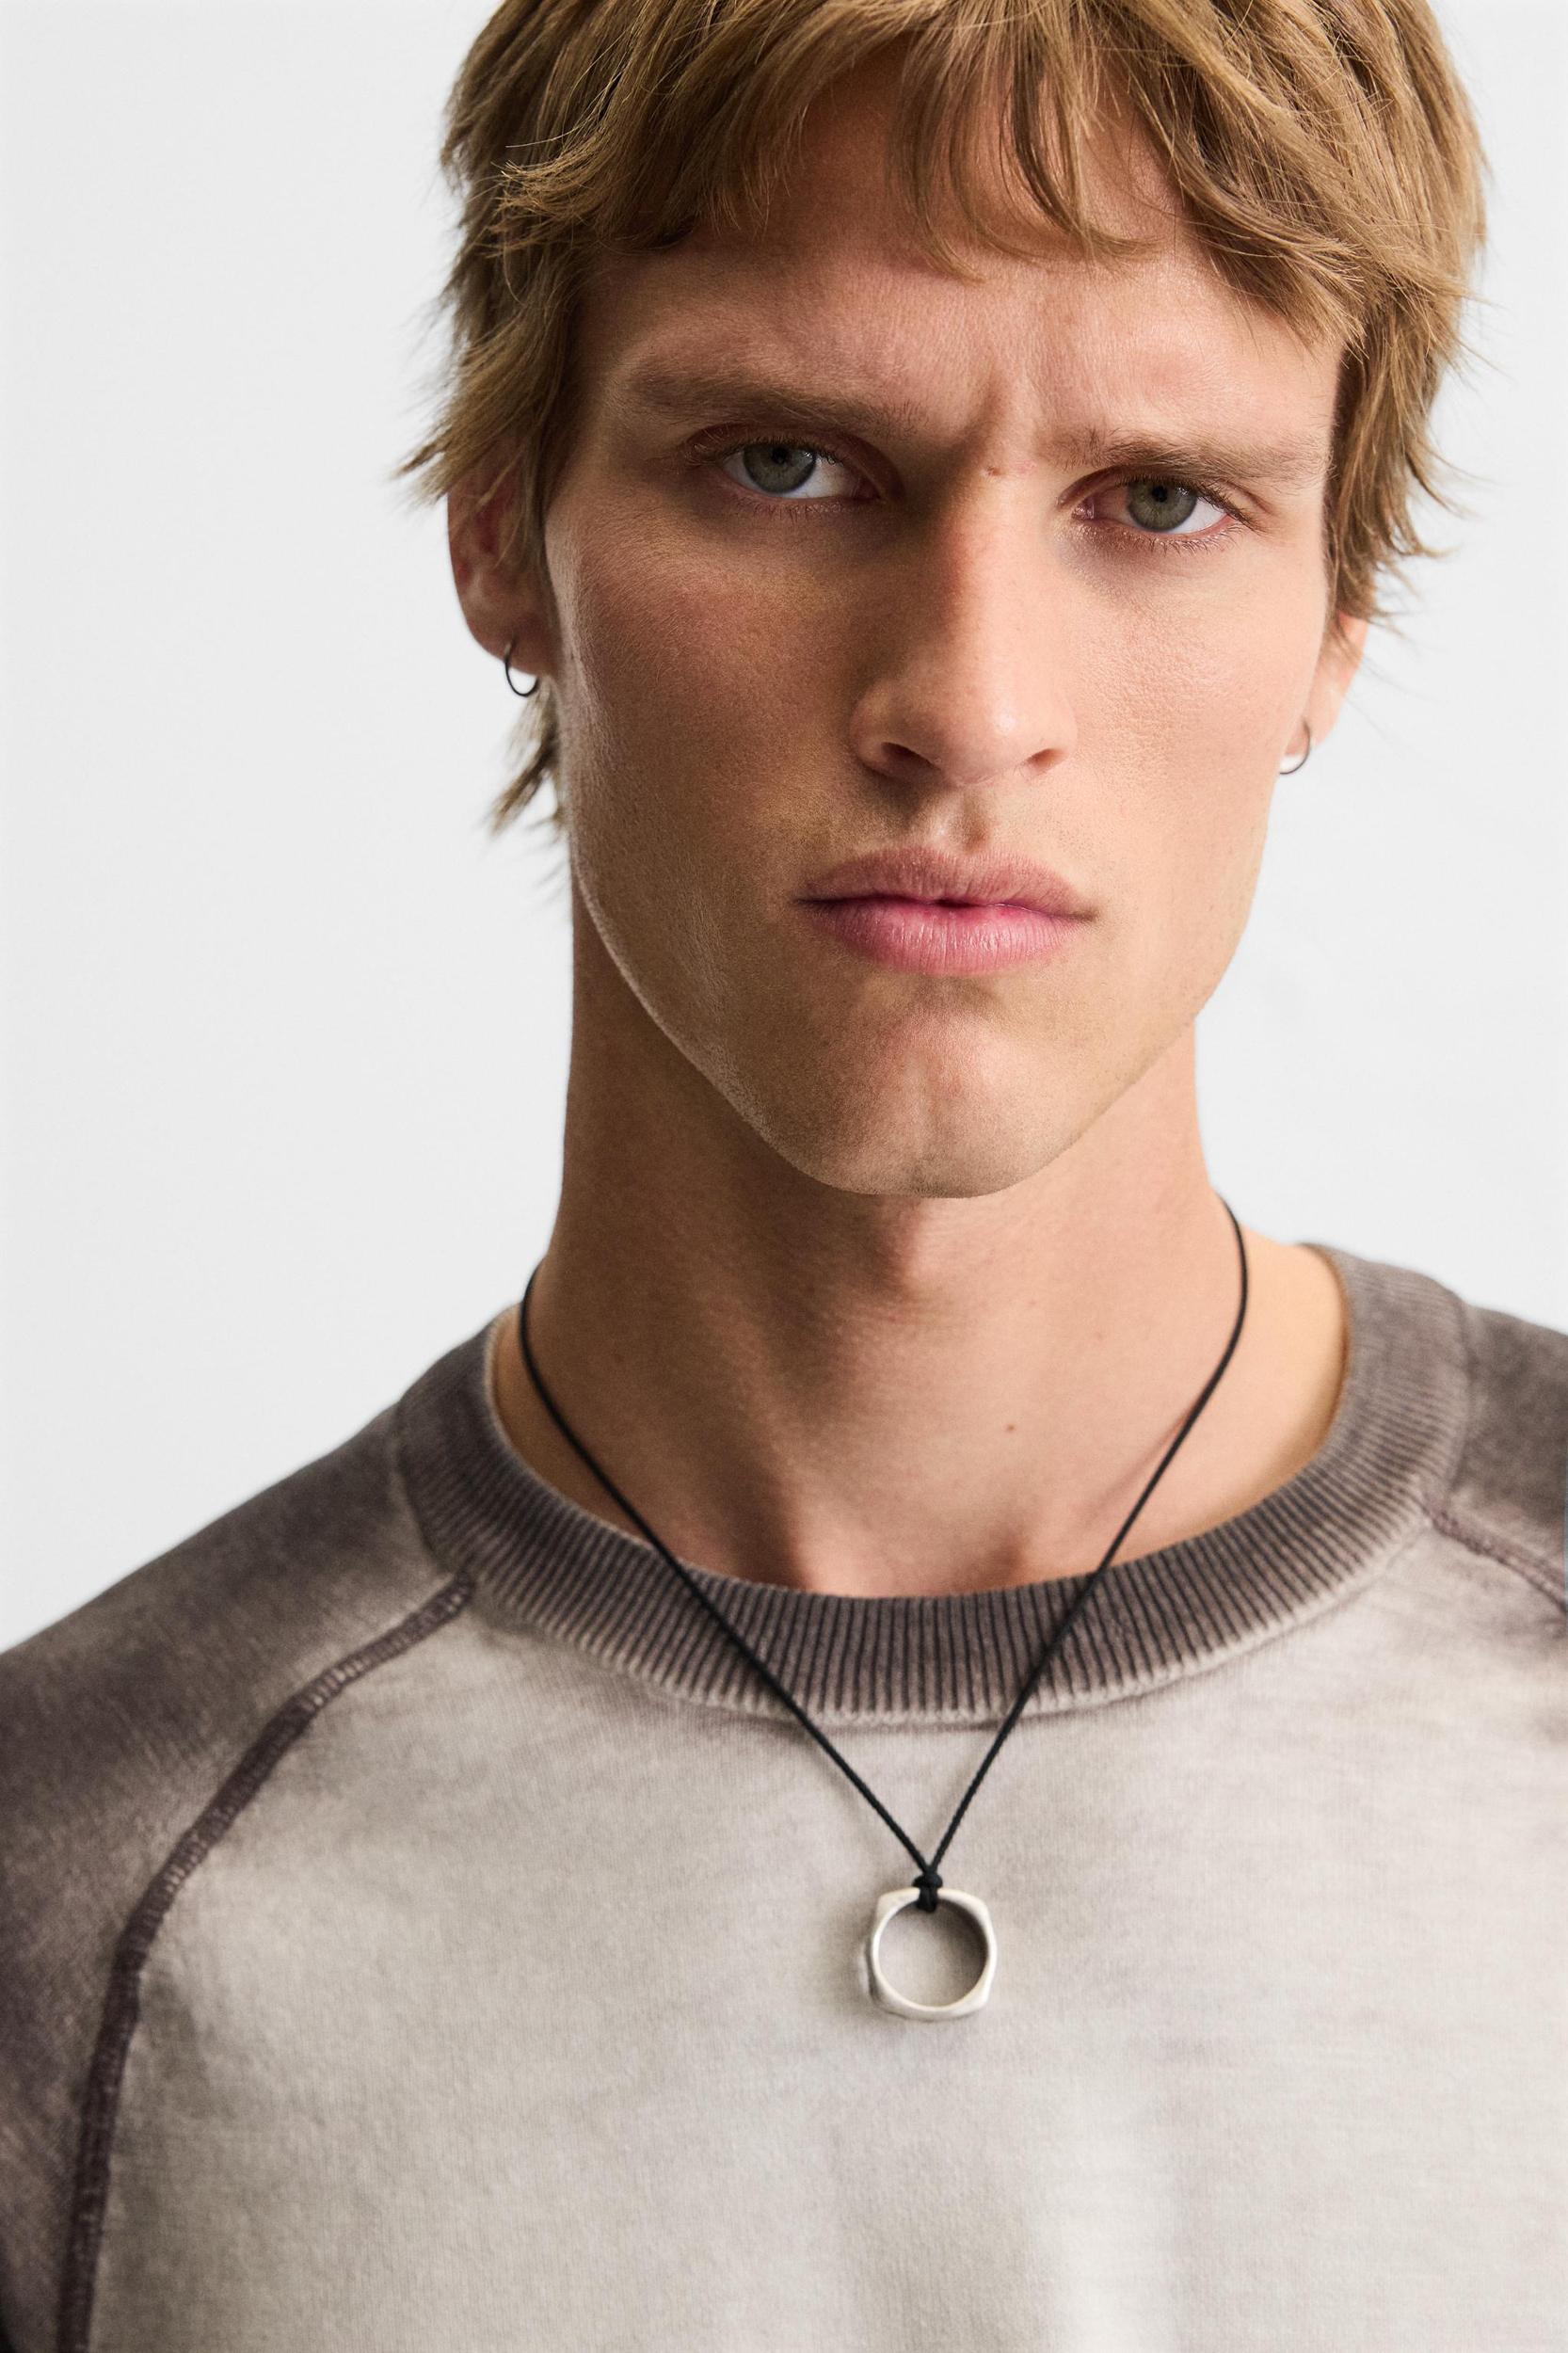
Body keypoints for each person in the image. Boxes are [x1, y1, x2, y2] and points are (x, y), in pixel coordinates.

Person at [2, 2, 1562, 2346]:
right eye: (785, 464)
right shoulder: (77, 1886)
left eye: (1156, 500)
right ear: (503, 528)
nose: (967, 702)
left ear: (1333, 613)